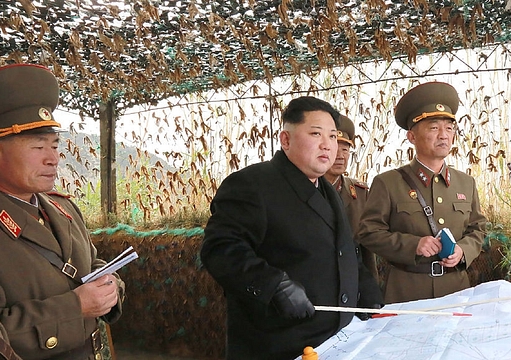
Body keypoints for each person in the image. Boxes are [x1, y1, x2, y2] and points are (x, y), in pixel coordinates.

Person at [201, 96, 383, 360]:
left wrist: (366, 290)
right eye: (315, 134)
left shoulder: (327, 191)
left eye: (332, 136)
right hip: (278, 343)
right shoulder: (252, 185)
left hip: (333, 340)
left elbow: (345, 251)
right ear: (285, 140)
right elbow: (220, 250)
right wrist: (273, 285)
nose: (327, 145)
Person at [0, 63, 125, 360]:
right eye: (38, 147)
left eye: (54, 146)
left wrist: (109, 285)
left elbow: (92, 263)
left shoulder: (63, 208)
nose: (53, 158)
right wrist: (75, 308)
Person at [357, 81, 487, 304]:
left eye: (449, 128)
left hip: (456, 290)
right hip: (407, 292)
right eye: (434, 128)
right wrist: (412, 245)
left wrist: (463, 251)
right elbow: (368, 233)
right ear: (412, 137)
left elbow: (478, 228)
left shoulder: (466, 183)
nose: (444, 135)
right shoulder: (388, 183)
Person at [323, 115, 378, 279]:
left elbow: (367, 248)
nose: (340, 156)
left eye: (345, 150)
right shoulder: (306, 189)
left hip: (352, 276)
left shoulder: (361, 193)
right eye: (335, 148)